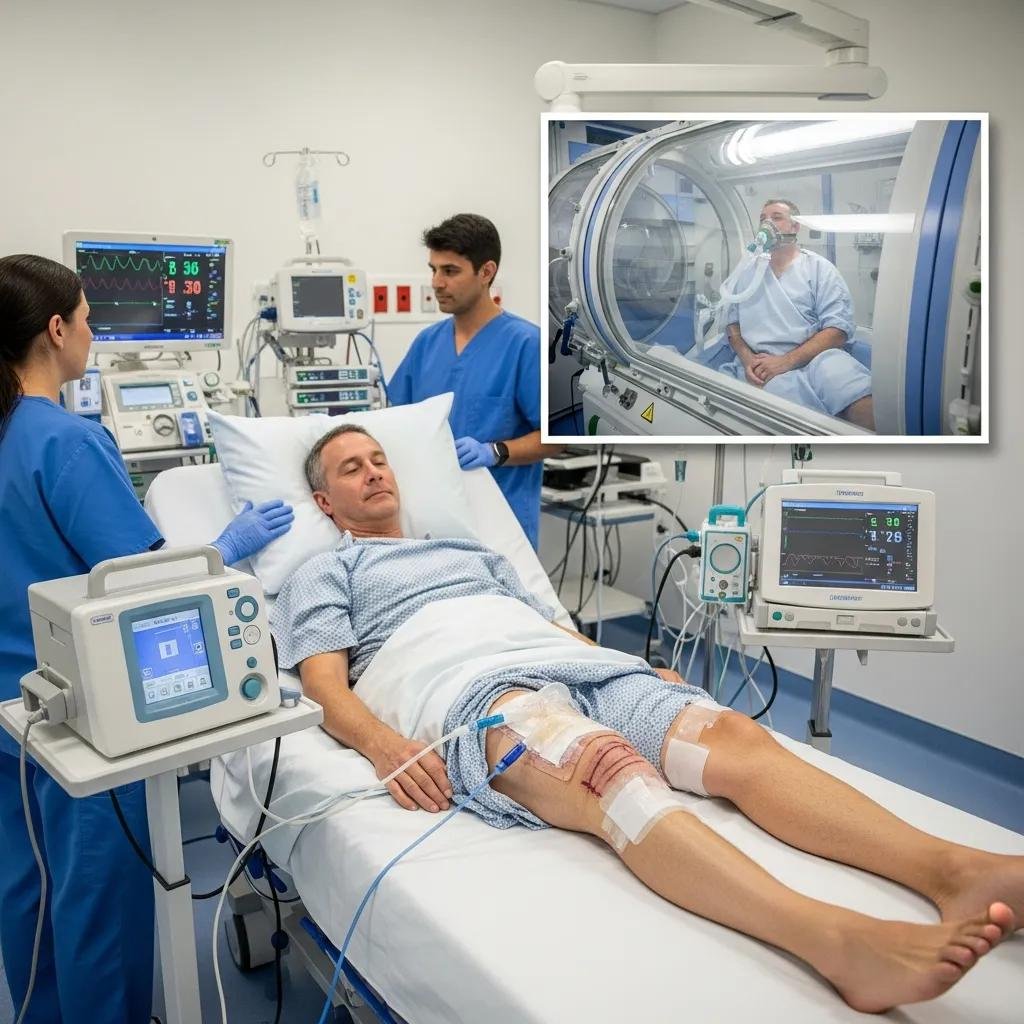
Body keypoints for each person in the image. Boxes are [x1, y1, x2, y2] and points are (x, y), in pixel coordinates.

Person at [270, 422, 1021, 1015]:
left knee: (730, 735)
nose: (375, 472)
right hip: (471, 686)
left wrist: (623, 663)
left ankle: (955, 870)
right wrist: (386, 747)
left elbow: (548, 627)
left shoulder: (474, 554)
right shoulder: (326, 571)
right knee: (608, 772)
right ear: (326, 504)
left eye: (379, 459)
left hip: (574, 666)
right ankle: (832, 939)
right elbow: (324, 686)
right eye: (352, 469)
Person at [0, 254, 294, 1024]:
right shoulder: (65, 441)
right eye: (88, 319)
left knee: (27, 890)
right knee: (97, 906)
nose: (91, 334)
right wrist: (225, 548)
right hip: (82, 720)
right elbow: (143, 580)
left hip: (11, 710)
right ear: (56, 329)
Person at [387, 213, 560, 547]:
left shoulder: (526, 345)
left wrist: (495, 451)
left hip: (502, 527)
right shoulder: (426, 344)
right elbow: (398, 421)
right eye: (433, 270)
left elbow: (556, 438)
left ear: (486, 272)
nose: (437, 282)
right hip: (432, 527)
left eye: (450, 271)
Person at [719, 199, 875, 430]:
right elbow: (731, 323)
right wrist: (747, 358)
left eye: (776, 217)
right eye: (763, 219)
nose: (767, 224)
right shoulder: (746, 272)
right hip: (764, 363)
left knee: (849, 386)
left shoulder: (820, 269)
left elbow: (838, 329)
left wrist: (787, 361)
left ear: (795, 226)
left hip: (818, 357)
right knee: (788, 410)